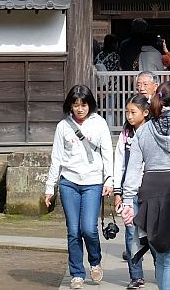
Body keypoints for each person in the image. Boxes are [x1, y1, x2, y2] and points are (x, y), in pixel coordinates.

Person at [45, 85, 116, 290]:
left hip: (93, 182)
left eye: (83, 104)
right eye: (75, 105)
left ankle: (95, 260)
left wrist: (109, 181)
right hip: (69, 181)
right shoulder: (63, 126)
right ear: (70, 105)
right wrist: (50, 187)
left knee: (88, 228)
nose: (79, 109)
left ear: (89, 104)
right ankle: (77, 273)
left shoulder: (99, 123)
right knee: (73, 230)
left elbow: (106, 154)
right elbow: (56, 158)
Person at [128, 79, 170, 290]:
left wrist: (128, 200)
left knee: (161, 256)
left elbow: (133, 169)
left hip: (150, 194)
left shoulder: (145, 130)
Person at [114, 94, 151, 290]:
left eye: (133, 112)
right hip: (130, 189)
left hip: (149, 188)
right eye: (127, 112)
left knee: (152, 232)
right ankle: (136, 275)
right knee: (130, 232)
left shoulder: (152, 131)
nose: (129, 116)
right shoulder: (126, 134)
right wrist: (117, 190)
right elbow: (120, 162)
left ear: (145, 113)